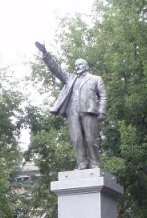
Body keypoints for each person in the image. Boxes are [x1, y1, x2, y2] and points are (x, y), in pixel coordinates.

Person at [35, 42, 107, 170]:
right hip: (73, 112)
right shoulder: (70, 78)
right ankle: (82, 164)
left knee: (91, 140)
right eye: (76, 65)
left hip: (89, 111)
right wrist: (45, 53)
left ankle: (95, 164)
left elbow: (103, 96)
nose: (77, 67)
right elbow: (56, 69)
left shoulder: (96, 79)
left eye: (80, 64)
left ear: (86, 66)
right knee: (77, 140)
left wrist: (102, 111)